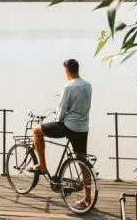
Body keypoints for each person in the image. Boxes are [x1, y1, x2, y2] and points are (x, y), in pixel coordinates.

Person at [30, 59, 93, 209]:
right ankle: (88, 198)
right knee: (82, 161)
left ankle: (42, 165)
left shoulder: (69, 86)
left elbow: (62, 108)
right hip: (83, 127)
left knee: (36, 130)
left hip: (68, 126)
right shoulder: (87, 85)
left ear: (67, 71)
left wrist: (55, 120)